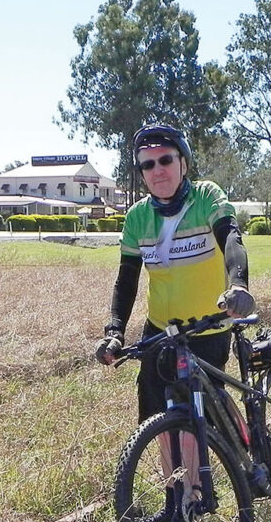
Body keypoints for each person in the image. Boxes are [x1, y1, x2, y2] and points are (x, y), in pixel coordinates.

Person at [94, 123, 255, 421]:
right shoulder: (137, 217)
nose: (158, 170)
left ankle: (223, 453)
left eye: (166, 159)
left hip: (207, 327)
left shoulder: (206, 196)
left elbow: (231, 237)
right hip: (160, 330)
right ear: (141, 173)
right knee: (158, 417)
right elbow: (126, 280)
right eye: (148, 164)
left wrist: (239, 286)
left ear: (183, 162)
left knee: (198, 420)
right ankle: (174, 472)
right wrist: (115, 331)